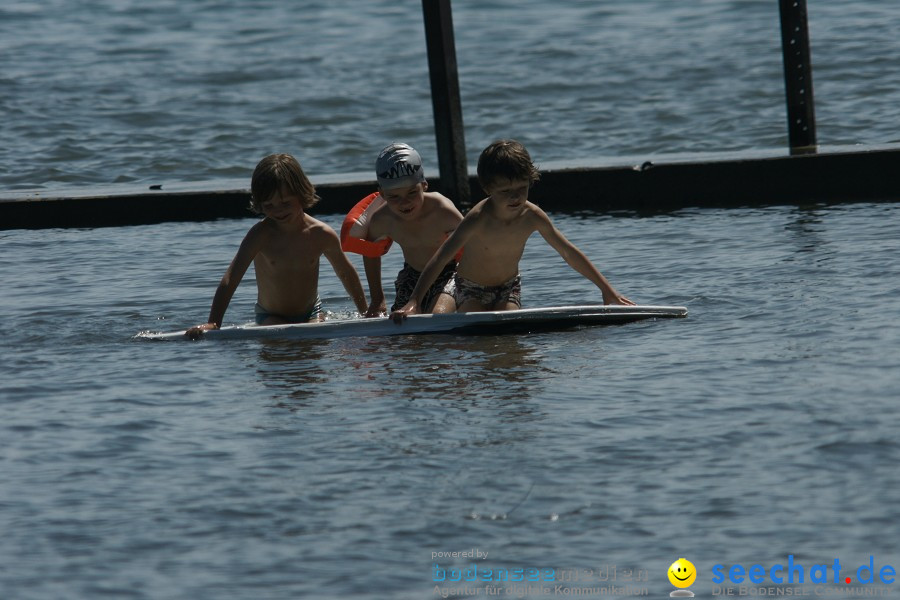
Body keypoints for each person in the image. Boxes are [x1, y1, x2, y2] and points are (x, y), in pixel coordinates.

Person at [391, 139, 633, 321]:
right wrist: (414, 300)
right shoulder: (477, 219)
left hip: (508, 287)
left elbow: (568, 252)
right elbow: (441, 257)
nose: (515, 196)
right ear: (488, 189)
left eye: (521, 187)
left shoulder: (533, 216)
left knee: (509, 329)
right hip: (470, 288)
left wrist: (608, 291)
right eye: (505, 191)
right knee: (476, 327)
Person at [186, 153, 368, 338]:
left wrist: (365, 314)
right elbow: (231, 279)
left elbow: (346, 273)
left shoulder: (321, 234)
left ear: (301, 193)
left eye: (285, 203)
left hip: (312, 312)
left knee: (313, 345)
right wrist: (214, 322)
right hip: (270, 316)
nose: (278, 211)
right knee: (281, 339)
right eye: (269, 205)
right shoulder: (260, 236)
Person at [341, 142, 463, 317]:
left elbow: (473, 243)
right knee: (399, 321)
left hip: (450, 272)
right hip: (411, 275)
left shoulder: (442, 211)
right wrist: (377, 299)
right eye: (394, 197)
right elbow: (371, 253)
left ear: (424, 185)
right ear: (382, 194)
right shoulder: (382, 219)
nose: (404, 202)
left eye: (412, 193)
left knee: (436, 314)